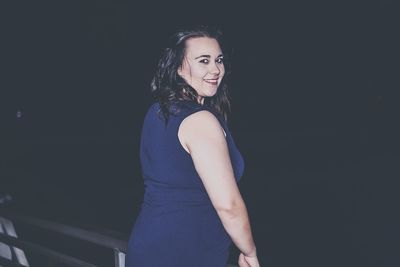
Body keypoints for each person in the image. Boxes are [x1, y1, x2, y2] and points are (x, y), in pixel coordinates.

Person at [126, 25, 260, 267]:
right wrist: (249, 251)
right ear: (177, 67)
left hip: (149, 244)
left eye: (219, 60)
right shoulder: (201, 121)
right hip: (185, 252)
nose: (216, 69)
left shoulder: (158, 110)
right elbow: (228, 205)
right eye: (203, 61)